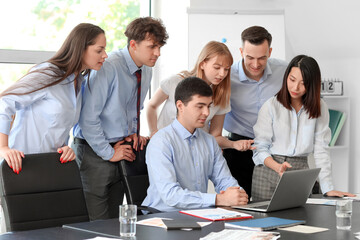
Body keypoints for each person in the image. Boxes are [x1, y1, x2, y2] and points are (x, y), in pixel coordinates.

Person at [72, 17, 168, 220]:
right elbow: (88, 119)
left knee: (114, 222)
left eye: (159, 47)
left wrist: (133, 133)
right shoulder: (107, 67)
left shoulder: (146, 69)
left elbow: (132, 108)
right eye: (152, 47)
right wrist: (108, 153)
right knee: (95, 223)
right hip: (94, 150)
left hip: (121, 150)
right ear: (133, 44)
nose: (157, 53)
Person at [0, 23, 107, 174]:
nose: (105, 55)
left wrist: (64, 148)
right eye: (99, 50)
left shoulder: (79, 82)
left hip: (50, 166)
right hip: (20, 165)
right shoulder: (48, 73)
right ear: (80, 49)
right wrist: (3, 148)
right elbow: (4, 102)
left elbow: (57, 127)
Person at [251, 55, 355, 201]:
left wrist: (328, 188)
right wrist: (277, 167)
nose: (295, 88)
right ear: (286, 77)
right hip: (269, 171)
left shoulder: (320, 107)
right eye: (292, 80)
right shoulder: (271, 106)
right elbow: (260, 149)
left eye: (303, 83)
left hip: (300, 172)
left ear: (312, 84)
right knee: (266, 221)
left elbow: (321, 149)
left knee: (301, 220)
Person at [142, 77, 248, 212]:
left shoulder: (209, 141)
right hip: (162, 216)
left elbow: (224, 180)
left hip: (198, 215)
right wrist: (218, 200)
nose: (207, 113)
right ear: (180, 106)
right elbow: (171, 195)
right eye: (200, 106)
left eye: (208, 106)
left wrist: (238, 194)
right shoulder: (161, 141)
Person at [147, 41, 254, 151]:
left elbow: (215, 136)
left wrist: (233, 144)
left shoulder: (221, 95)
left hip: (195, 150)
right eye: (217, 67)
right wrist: (154, 132)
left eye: (226, 69)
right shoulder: (175, 82)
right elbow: (152, 106)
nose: (222, 74)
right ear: (203, 63)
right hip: (166, 146)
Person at [223, 26, 288, 198]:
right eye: (249, 57)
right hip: (238, 149)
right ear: (241, 51)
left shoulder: (284, 71)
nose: (256, 64)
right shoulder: (227, 75)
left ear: (270, 51)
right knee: (239, 204)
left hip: (274, 148)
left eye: (262, 58)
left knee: (276, 204)